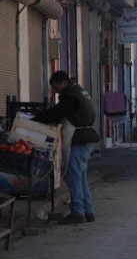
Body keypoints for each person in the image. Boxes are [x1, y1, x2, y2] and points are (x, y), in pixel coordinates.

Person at [33, 71, 100, 225]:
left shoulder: (70, 96)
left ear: (63, 83)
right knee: (80, 176)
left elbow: (56, 113)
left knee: (73, 176)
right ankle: (87, 211)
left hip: (81, 138)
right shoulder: (77, 91)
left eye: (56, 87)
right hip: (86, 138)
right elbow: (58, 111)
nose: (56, 91)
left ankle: (78, 213)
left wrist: (36, 120)